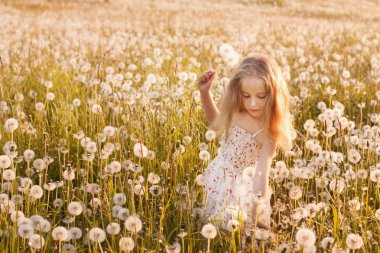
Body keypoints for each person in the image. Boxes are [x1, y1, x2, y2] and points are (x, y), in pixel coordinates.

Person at [198, 54, 295, 237]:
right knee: (214, 230)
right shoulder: (236, 111)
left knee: (238, 233)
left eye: (261, 96)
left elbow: (261, 174)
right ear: (238, 92)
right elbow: (216, 124)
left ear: (273, 94)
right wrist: (205, 93)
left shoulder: (268, 133)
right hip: (219, 177)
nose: (253, 103)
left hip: (241, 191)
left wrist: (256, 204)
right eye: (246, 95)